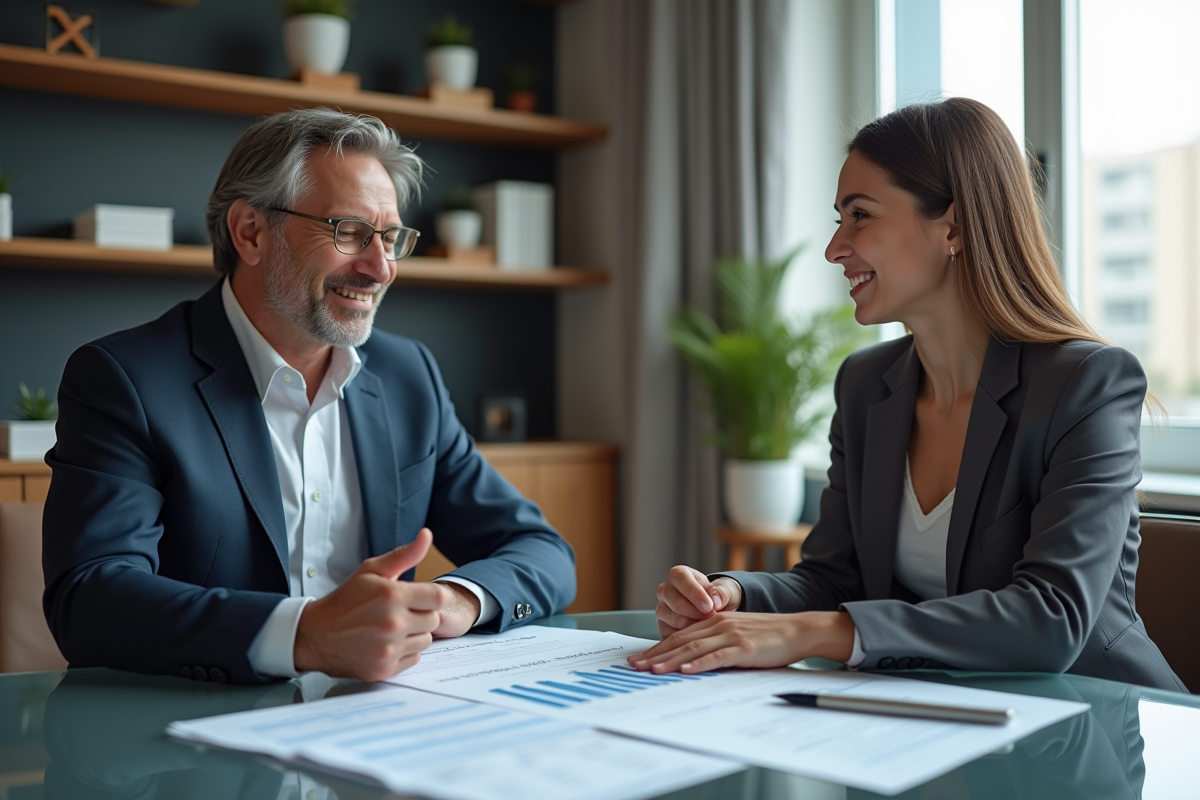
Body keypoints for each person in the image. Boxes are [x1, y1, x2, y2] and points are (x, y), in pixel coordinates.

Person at [631, 98, 1185, 692]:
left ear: (954, 226)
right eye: (839, 219)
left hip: (1091, 727)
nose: (834, 248)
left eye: (860, 215)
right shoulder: (866, 385)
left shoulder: (1086, 384)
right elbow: (832, 580)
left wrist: (811, 634)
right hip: (940, 716)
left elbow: (1051, 619)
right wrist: (732, 596)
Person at [42, 108, 575, 686]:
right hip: (196, 742)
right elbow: (89, 598)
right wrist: (303, 634)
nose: (380, 267)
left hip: (378, 727)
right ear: (250, 231)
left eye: (391, 237)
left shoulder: (407, 376)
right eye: (349, 231)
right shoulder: (125, 379)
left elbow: (539, 549)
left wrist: (455, 600)